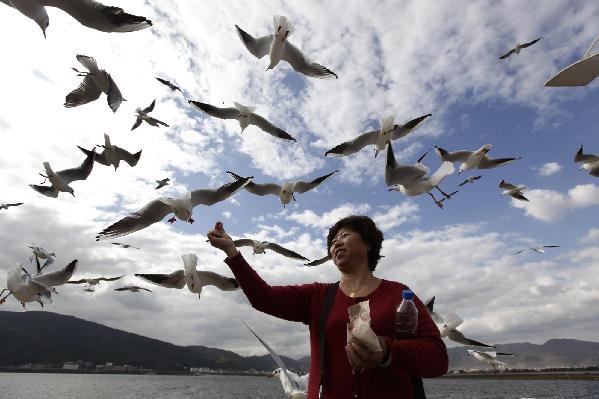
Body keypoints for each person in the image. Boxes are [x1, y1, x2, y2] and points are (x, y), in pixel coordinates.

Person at [207, 215, 447, 399]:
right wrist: (232, 252)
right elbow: (264, 298)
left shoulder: (398, 294)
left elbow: (438, 358)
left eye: (343, 236)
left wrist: (387, 352)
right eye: (332, 242)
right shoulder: (318, 296)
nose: (336, 244)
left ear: (368, 244)